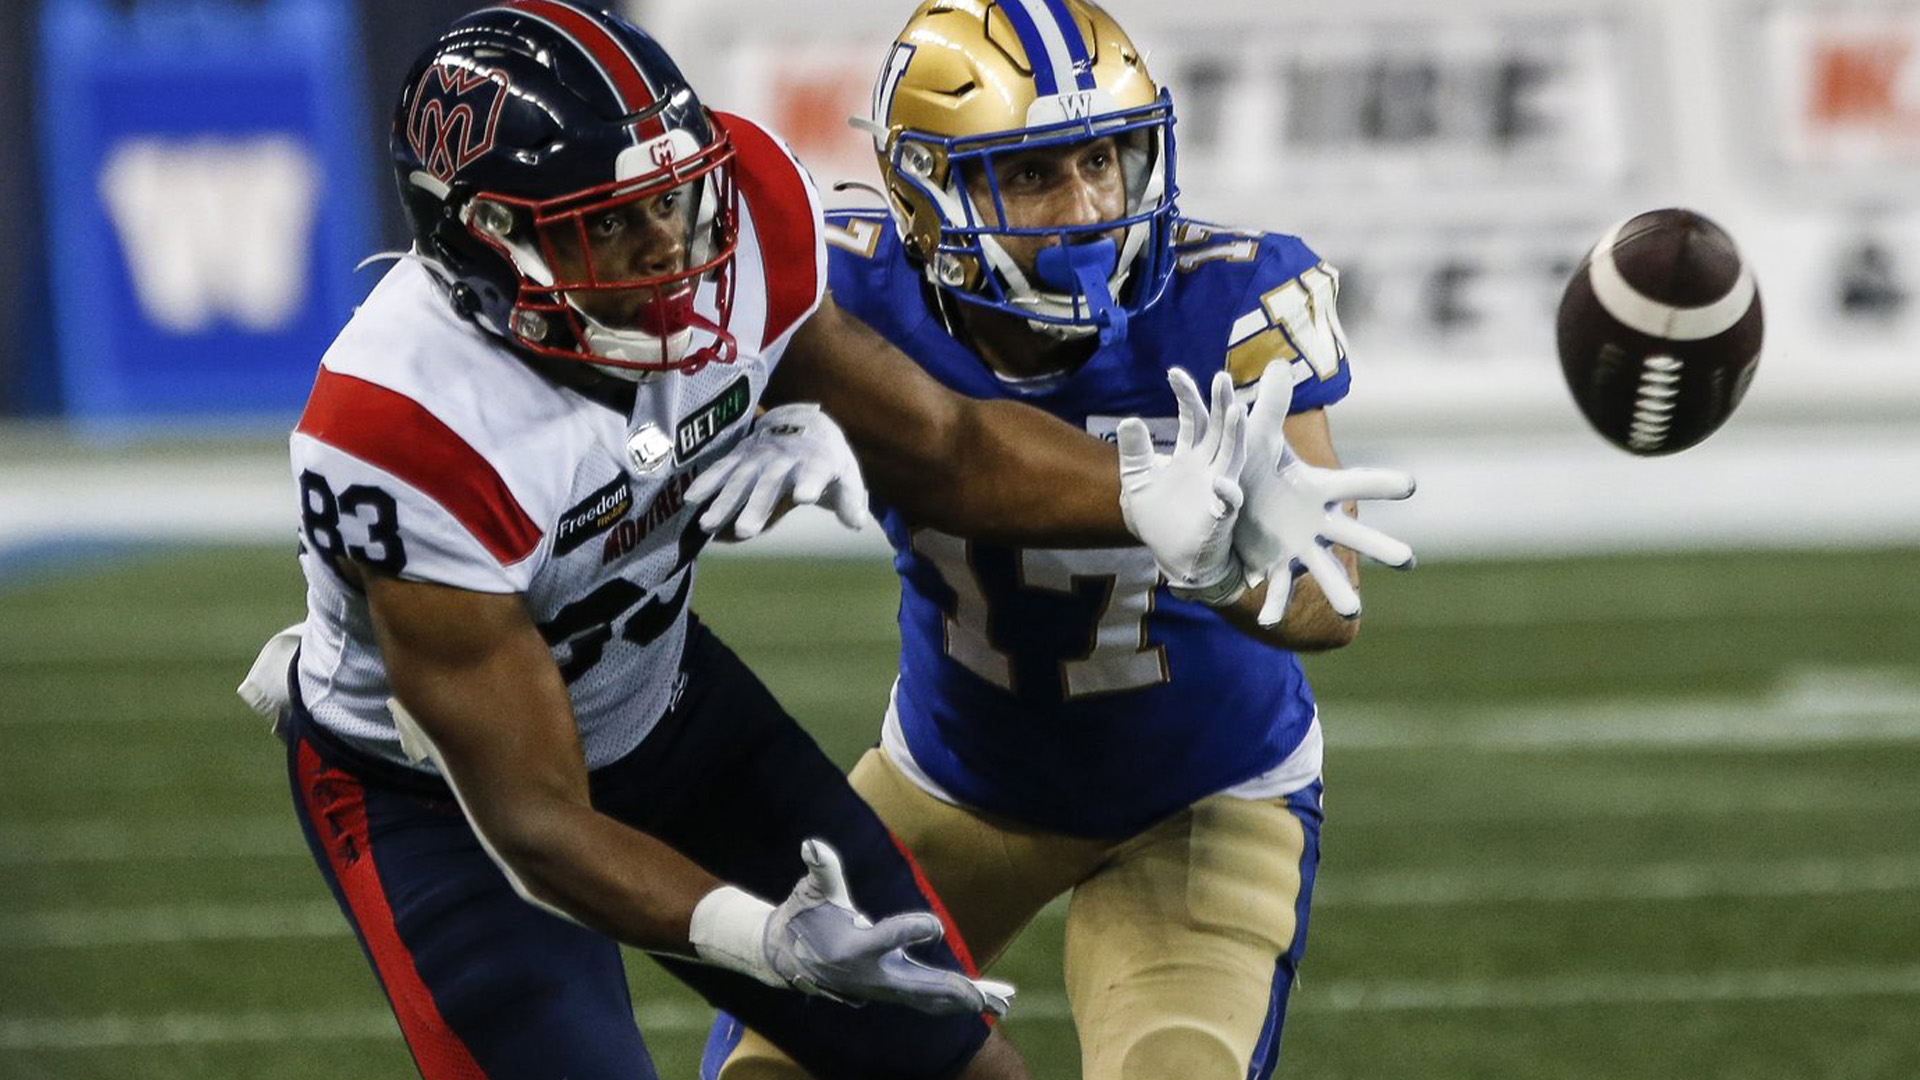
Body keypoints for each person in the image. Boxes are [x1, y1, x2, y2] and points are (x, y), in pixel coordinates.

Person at [235, 2, 1390, 1079]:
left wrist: (1188, 522)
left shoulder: (742, 222)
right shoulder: (401, 429)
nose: (669, 248)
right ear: (489, 241)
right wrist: (759, 936)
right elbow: (538, 823)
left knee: (951, 1059)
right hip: (453, 789)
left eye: (670, 203)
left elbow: (946, 449)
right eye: (606, 227)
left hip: (687, 704)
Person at [701, 2, 1417, 1079]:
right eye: (1031, 174)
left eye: (1104, 159)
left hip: (1205, 795)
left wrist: (1232, 570)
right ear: (922, 196)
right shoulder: (845, 297)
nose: (1086, 206)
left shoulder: (1231, 298)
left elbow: (1330, 603)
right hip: (948, 783)